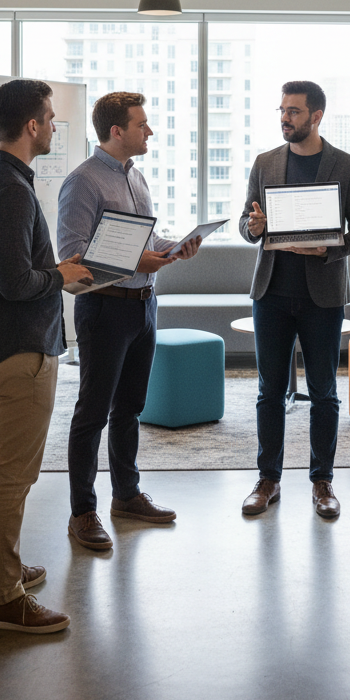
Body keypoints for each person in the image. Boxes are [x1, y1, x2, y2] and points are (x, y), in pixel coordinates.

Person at [0, 79, 92, 634]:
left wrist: (54, 269)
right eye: (51, 117)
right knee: (13, 476)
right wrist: (60, 275)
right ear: (33, 126)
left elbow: (13, 269)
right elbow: (17, 282)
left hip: (1, 347)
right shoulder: (11, 189)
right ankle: (5, 601)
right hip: (22, 350)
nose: (55, 125)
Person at [58, 91, 200, 552]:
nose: (150, 131)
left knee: (130, 410)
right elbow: (73, 255)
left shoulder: (136, 178)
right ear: (117, 131)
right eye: (142, 124)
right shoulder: (82, 182)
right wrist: (139, 258)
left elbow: (145, 237)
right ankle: (82, 513)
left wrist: (173, 246)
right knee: (92, 415)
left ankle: (127, 496)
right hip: (104, 309)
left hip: (143, 305)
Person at [238, 80, 350, 519]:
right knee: (269, 392)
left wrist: (330, 249)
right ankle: (267, 479)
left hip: (323, 295)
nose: (284, 118)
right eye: (281, 110)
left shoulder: (347, 165)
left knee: (324, 391)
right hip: (271, 293)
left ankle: (322, 481)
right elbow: (246, 221)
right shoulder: (264, 163)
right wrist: (254, 229)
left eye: (293, 111)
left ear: (316, 116)